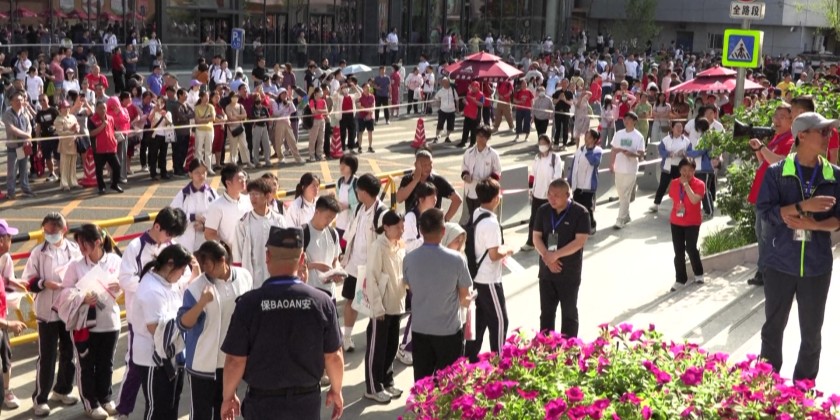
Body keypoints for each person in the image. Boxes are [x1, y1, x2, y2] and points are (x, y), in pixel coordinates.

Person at [220, 227, 344, 420]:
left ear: (267, 257)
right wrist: (336, 390)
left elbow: (235, 361)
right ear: (302, 259)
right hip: (305, 403)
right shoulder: (322, 302)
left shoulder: (249, 304)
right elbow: (334, 357)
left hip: (262, 404)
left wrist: (228, 397)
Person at [756, 112, 840, 382]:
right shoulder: (777, 173)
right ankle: (766, 384)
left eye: (829, 132)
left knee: (812, 334)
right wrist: (803, 206)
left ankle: (803, 388)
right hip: (779, 263)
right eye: (823, 132)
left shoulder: (835, 176)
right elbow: (765, 212)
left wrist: (814, 225)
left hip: (817, 267)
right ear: (801, 135)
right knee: (773, 329)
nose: (828, 137)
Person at [115, 207, 188, 419]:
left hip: (168, 316)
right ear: (157, 226)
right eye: (169, 233)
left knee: (167, 385)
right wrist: (152, 286)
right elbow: (125, 279)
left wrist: (169, 283)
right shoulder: (135, 247)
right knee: (135, 366)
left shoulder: (171, 247)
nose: (170, 238)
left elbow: (184, 276)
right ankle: (123, 408)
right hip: (141, 318)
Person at [178, 240, 253, 420]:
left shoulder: (244, 277)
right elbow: (183, 324)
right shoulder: (196, 288)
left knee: (225, 411)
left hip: (229, 362)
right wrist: (202, 302)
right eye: (202, 264)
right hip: (202, 363)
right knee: (201, 414)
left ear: (222, 261)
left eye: (209, 265)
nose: (205, 269)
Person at [61, 224, 122, 419]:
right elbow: (65, 292)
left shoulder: (115, 260)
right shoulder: (76, 266)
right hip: (85, 325)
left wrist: (120, 285)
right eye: (78, 244)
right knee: (86, 365)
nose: (80, 248)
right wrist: (82, 297)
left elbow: (128, 282)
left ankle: (105, 397)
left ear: (98, 242)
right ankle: (91, 403)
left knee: (106, 363)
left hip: (110, 322)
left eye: (84, 244)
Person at [24, 212, 81, 416]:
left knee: (69, 352)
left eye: (53, 232)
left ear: (64, 230)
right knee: (47, 356)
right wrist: (43, 283)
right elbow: (28, 280)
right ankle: (40, 398)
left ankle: (63, 389)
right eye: (46, 232)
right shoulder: (38, 253)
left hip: (68, 309)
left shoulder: (74, 250)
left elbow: (81, 273)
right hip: (46, 311)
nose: (49, 235)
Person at [405, 208, 473, 381]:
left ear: (421, 230)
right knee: (450, 384)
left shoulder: (409, 259)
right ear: (443, 231)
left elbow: (411, 288)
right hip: (448, 331)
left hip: (420, 329)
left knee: (423, 384)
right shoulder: (457, 259)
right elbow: (464, 298)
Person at [132, 244, 197, 420]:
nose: (182, 275)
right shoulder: (151, 290)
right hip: (153, 359)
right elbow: (155, 329)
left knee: (171, 405)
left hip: (172, 354)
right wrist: (185, 322)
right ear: (170, 264)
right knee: (158, 409)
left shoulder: (168, 281)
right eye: (181, 270)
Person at [531, 179, 590, 336]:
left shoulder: (580, 213)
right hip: (547, 272)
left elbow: (580, 241)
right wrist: (547, 257)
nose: (552, 199)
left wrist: (556, 255)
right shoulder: (543, 210)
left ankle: (569, 347)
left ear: (567, 195)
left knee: (569, 314)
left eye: (556, 195)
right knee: (546, 314)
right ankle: (546, 346)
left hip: (569, 273)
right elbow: (536, 237)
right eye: (549, 194)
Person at [465, 179, 513, 362]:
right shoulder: (491, 223)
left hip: (476, 276)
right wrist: (508, 249)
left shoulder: (477, 213)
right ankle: (499, 360)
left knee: (480, 320)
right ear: (495, 199)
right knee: (500, 321)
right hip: (489, 279)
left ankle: (468, 358)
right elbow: (494, 254)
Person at [746, 104, 794, 287]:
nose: (777, 120)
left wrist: (762, 147)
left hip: (772, 195)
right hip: (763, 192)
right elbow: (765, 162)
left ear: (791, 120)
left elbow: (781, 162)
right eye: (776, 116)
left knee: (767, 234)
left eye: (782, 116)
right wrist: (758, 150)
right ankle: (763, 270)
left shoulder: (791, 140)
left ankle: (766, 272)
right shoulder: (777, 138)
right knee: (760, 233)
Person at [362, 210, 406, 403]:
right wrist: (377, 307)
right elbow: (371, 278)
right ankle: (373, 387)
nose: (402, 230)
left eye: (403, 227)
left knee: (391, 346)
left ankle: (387, 382)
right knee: (377, 348)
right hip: (381, 307)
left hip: (396, 304)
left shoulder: (399, 246)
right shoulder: (377, 247)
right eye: (398, 227)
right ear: (386, 227)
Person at [341, 173, 387, 353]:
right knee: (351, 301)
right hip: (354, 265)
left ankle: (373, 337)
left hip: (371, 269)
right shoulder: (360, 208)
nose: (356, 192)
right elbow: (352, 233)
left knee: (372, 305)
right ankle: (346, 337)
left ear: (364, 192)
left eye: (358, 189)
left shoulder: (381, 213)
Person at [233, 178, 287, 288]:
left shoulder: (278, 220)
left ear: (267, 196)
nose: (253, 198)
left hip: (274, 275)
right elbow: (237, 252)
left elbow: (285, 248)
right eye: (250, 194)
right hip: (252, 278)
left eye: (256, 194)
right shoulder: (243, 223)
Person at [668, 158, 706, 292]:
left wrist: (686, 185)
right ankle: (680, 279)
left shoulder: (699, 184)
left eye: (690, 170)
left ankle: (698, 273)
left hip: (692, 222)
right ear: (679, 170)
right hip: (676, 221)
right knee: (678, 251)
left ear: (694, 171)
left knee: (691, 248)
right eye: (684, 170)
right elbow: (673, 199)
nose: (687, 173)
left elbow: (694, 200)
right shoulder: (674, 183)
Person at [398, 150, 461, 221]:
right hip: (412, 222)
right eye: (425, 165)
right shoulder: (407, 179)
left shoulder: (438, 180)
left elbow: (457, 199)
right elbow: (399, 199)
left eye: (430, 164)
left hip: (432, 225)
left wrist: (445, 220)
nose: (428, 168)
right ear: (416, 165)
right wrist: (416, 180)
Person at [170, 160, 218, 252]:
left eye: (204, 172)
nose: (201, 175)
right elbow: (174, 216)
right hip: (186, 241)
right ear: (190, 174)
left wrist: (205, 225)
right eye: (197, 173)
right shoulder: (183, 194)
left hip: (206, 241)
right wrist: (192, 217)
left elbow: (218, 215)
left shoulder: (212, 193)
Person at [610, 112, 645, 229]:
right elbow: (613, 150)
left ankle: (620, 219)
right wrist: (611, 163)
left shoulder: (639, 136)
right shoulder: (619, 134)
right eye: (625, 119)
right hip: (619, 168)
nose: (626, 121)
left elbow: (641, 154)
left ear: (634, 121)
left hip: (631, 169)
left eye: (629, 119)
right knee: (621, 194)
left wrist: (631, 154)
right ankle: (626, 215)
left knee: (626, 194)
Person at [303, 196, 343, 299]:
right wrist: (316, 266)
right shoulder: (303, 233)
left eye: (332, 218)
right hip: (310, 293)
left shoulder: (333, 233)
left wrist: (337, 270)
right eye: (327, 217)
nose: (329, 221)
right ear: (317, 212)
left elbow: (335, 260)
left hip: (330, 294)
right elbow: (295, 266)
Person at [460, 127, 502, 225]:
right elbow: (464, 168)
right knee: (471, 217)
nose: (480, 138)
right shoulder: (468, 152)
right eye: (479, 135)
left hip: (485, 193)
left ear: (488, 138)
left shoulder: (493, 154)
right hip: (470, 191)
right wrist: (466, 176)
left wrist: (487, 182)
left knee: (483, 219)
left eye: (483, 136)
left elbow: (497, 172)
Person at [204, 164, 253, 247]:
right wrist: (226, 248)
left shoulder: (249, 200)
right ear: (228, 183)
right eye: (239, 179)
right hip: (231, 253)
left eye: (244, 177)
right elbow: (209, 234)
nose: (243, 180)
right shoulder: (216, 206)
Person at [650, 121, 691, 213]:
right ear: (672, 128)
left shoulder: (686, 141)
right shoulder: (666, 139)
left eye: (681, 127)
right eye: (677, 127)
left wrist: (684, 153)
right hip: (668, 166)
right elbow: (661, 150)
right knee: (662, 185)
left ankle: (681, 205)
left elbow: (690, 152)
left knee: (681, 187)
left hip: (680, 168)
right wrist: (668, 154)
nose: (679, 129)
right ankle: (656, 203)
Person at [568, 129, 603, 233]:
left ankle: (591, 224)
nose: (586, 139)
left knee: (587, 207)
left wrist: (589, 150)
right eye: (586, 136)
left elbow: (594, 162)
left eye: (589, 137)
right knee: (576, 206)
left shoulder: (597, 151)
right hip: (577, 183)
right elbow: (574, 164)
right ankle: (579, 226)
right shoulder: (580, 149)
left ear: (594, 139)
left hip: (588, 185)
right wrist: (570, 178)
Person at [4, 91, 35, 199]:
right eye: (16, 100)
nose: (19, 102)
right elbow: (11, 129)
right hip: (13, 147)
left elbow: (29, 126)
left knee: (24, 168)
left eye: (21, 100)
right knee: (12, 171)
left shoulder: (24, 111)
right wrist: (27, 135)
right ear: (11, 102)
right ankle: (11, 192)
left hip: (23, 146)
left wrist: (28, 137)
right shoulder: (7, 114)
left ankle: (25, 189)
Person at [88, 101, 123, 194]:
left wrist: (115, 140)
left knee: (117, 167)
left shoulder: (110, 118)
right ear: (96, 109)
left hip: (111, 147)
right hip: (99, 149)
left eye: (104, 108)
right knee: (99, 169)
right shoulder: (92, 120)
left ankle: (114, 184)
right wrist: (102, 125)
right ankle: (101, 187)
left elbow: (113, 131)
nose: (103, 110)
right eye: (100, 108)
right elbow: (91, 133)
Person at [55, 100, 81, 191]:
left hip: (73, 143)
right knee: (64, 165)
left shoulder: (72, 117)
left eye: (68, 107)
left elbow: (77, 125)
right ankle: (64, 184)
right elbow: (60, 132)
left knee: (72, 164)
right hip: (64, 145)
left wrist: (77, 128)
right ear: (60, 109)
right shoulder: (58, 119)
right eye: (64, 107)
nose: (66, 109)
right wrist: (71, 130)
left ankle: (73, 182)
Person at [148, 96, 174, 180]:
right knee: (153, 155)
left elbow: (169, 123)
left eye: (162, 102)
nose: (160, 104)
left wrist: (165, 116)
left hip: (164, 136)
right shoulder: (154, 111)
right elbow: (149, 119)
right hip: (155, 136)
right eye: (159, 102)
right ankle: (153, 173)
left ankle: (163, 173)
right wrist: (155, 111)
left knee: (163, 155)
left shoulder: (168, 113)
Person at [336, 155, 360, 239]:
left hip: (354, 224)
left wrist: (349, 206)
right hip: (340, 223)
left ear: (352, 167)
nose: (341, 167)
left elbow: (363, 204)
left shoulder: (357, 183)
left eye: (345, 165)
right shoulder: (339, 182)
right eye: (341, 164)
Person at [193, 92, 216, 173]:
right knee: (198, 149)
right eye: (205, 96)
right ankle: (198, 167)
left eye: (208, 96)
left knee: (208, 149)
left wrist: (203, 120)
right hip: (200, 130)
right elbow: (197, 120)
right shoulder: (197, 107)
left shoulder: (211, 107)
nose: (207, 98)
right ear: (201, 97)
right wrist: (206, 119)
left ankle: (208, 167)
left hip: (209, 130)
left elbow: (213, 118)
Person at [457, 82, 485, 148]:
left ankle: (472, 143)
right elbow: (465, 99)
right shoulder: (469, 93)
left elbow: (481, 104)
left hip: (475, 115)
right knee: (465, 129)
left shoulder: (481, 95)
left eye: (474, 87)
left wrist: (474, 101)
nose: (472, 88)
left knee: (474, 130)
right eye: (472, 87)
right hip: (467, 114)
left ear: (477, 87)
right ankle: (463, 142)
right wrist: (464, 101)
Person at [433, 77, 458, 143]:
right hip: (443, 110)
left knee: (450, 125)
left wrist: (457, 108)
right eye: (444, 82)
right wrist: (438, 105)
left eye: (447, 82)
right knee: (440, 124)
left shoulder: (453, 90)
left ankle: (447, 137)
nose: (445, 83)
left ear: (449, 82)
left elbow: (457, 99)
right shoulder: (441, 91)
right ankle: (437, 136)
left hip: (452, 110)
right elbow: (436, 98)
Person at [308, 87, 328, 162]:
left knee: (321, 139)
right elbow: (313, 112)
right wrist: (321, 111)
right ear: (316, 93)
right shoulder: (312, 101)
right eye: (320, 91)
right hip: (315, 121)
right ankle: (312, 155)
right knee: (313, 139)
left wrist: (319, 111)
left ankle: (319, 154)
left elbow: (326, 111)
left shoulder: (323, 101)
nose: (322, 93)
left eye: (322, 91)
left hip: (322, 120)